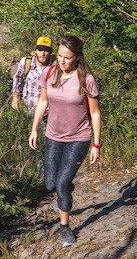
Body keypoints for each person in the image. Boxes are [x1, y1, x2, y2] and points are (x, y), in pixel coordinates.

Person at [28, 35, 101, 246]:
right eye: (59, 56)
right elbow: (42, 102)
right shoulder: (49, 73)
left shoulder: (86, 79)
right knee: (50, 183)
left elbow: (95, 113)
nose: (62, 61)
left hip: (79, 137)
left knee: (61, 183)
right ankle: (65, 189)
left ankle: (64, 227)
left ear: (77, 58)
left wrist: (96, 143)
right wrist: (34, 129)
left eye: (67, 58)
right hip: (53, 135)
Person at [11, 36, 53, 112]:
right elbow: (17, 78)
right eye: (40, 50)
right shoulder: (26, 62)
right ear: (35, 51)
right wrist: (15, 97)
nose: (43, 53)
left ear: (50, 52)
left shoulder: (55, 66)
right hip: (27, 109)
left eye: (46, 50)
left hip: (48, 112)